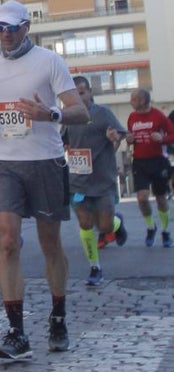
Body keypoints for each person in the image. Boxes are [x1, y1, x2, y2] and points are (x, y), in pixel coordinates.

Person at [0, 0, 88, 360]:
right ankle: (16, 332)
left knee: (50, 244)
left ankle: (57, 317)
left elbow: (80, 111)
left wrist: (49, 112)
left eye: (12, 27)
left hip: (45, 161)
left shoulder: (49, 61)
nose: (5, 34)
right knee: (7, 241)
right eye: (0, 28)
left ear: (26, 27)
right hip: (4, 161)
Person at [62, 76, 128, 286]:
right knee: (85, 222)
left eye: (82, 92)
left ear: (89, 92)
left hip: (102, 179)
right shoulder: (68, 117)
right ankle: (95, 267)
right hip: (78, 180)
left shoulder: (103, 113)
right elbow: (62, 141)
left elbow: (121, 135)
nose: (78, 97)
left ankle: (117, 223)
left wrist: (113, 137)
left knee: (105, 225)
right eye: (74, 93)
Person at [124, 88, 174, 247]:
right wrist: (129, 140)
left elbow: (172, 134)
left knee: (160, 198)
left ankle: (166, 232)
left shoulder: (158, 115)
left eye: (134, 99)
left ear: (143, 101)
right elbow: (130, 138)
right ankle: (150, 227)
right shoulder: (132, 117)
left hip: (158, 161)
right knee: (142, 197)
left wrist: (163, 139)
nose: (131, 102)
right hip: (139, 162)